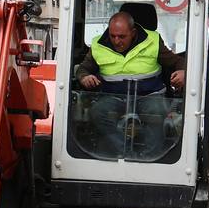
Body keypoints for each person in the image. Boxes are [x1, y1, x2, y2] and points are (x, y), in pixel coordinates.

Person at [73, 10, 186, 157]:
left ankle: (148, 157)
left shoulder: (152, 41)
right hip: (113, 97)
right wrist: (84, 77)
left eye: (122, 36)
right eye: (112, 36)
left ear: (133, 32)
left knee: (157, 112)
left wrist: (183, 71)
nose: (116, 41)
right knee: (97, 112)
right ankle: (124, 151)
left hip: (149, 96)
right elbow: (83, 69)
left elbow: (178, 61)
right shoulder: (98, 45)